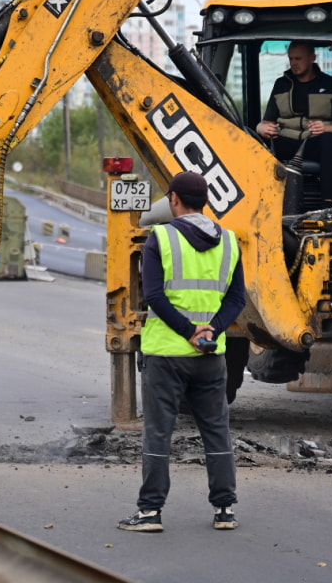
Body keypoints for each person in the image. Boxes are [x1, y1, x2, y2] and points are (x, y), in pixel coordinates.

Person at [118, 171, 247, 533]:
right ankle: (225, 510)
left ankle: (149, 513)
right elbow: (237, 298)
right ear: (204, 200)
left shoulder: (160, 238)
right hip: (210, 354)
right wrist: (210, 331)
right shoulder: (230, 242)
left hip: (166, 354)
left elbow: (154, 296)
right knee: (217, 431)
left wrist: (188, 332)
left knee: (159, 433)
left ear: (174, 199)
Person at [255, 41, 332, 204]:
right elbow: (265, 122)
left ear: (312, 58)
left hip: (314, 143)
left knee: (329, 140)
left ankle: (328, 203)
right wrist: (261, 128)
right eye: (291, 59)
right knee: (257, 142)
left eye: (298, 59)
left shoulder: (330, 84)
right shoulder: (281, 84)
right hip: (287, 141)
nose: (294, 63)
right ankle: (261, 200)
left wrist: (326, 128)